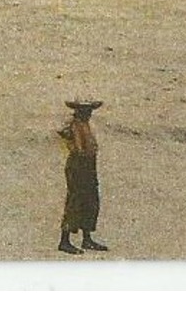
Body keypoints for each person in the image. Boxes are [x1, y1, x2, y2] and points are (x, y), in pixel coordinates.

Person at [57, 100, 108, 255]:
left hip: (88, 164)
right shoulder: (72, 125)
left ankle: (86, 238)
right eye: (86, 110)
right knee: (75, 201)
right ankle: (65, 241)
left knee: (90, 200)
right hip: (78, 165)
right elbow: (67, 139)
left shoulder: (84, 124)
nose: (88, 113)